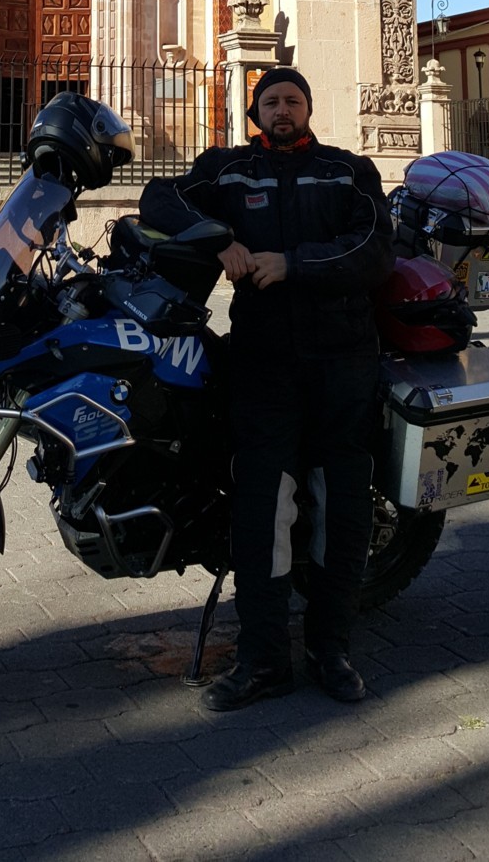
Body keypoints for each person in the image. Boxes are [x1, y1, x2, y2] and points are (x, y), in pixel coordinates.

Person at [139, 66, 394, 712]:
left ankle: (331, 649)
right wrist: (217, 235)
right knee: (261, 508)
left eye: (294, 100)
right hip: (262, 363)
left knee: (340, 506)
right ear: (255, 112)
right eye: (272, 101)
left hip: (343, 359)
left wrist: (295, 264)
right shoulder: (227, 170)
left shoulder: (347, 170)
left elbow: (372, 249)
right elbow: (158, 197)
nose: (283, 109)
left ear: (309, 109)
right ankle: (262, 660)